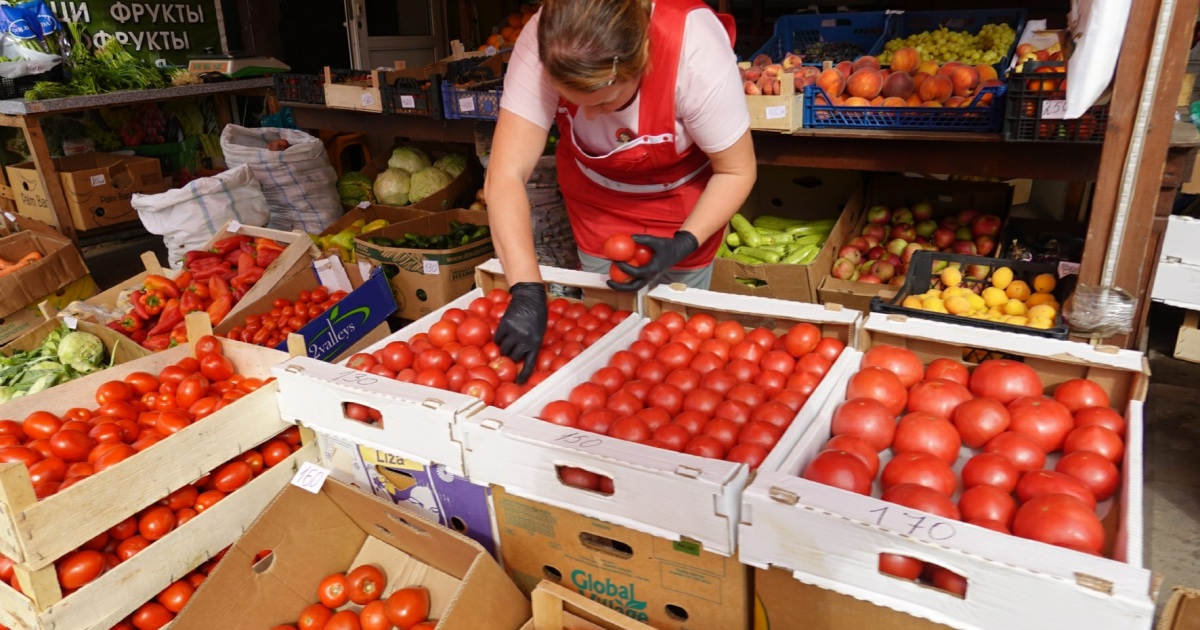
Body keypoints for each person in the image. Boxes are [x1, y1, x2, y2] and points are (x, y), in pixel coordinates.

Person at [486, 0, 757, 382]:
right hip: (597, 203)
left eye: (605, 101)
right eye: (575, 102)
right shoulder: (542, 44)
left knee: (677, 346)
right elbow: (505, 175)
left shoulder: (693, 50)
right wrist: (527, 288)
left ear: (642, 59)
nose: (591, 116)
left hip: (683, 203)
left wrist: (685, 241)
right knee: (609, 337)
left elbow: (736, 171)